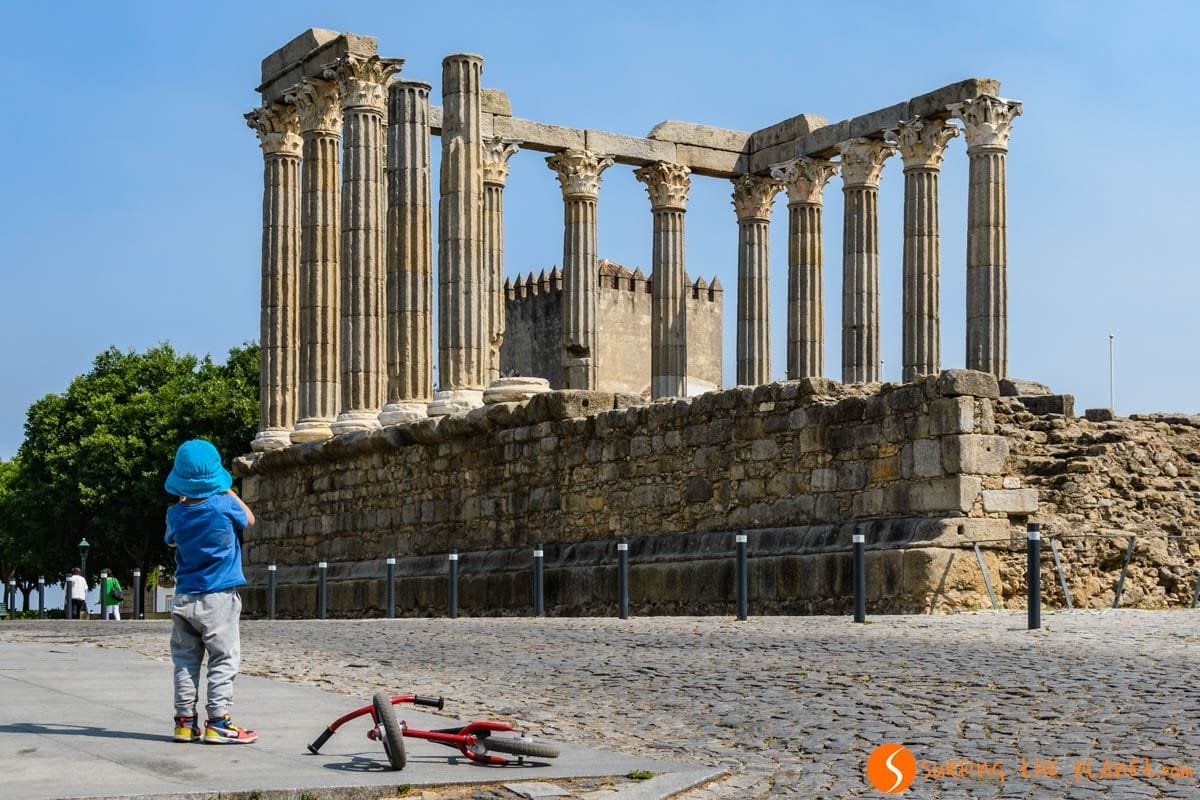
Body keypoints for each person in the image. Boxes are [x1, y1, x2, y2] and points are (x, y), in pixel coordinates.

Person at [163, 439, 257, 744]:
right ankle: (218, 721)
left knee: (185, 662)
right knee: (223, 658)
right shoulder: (224, 503)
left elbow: (172, 542)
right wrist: (226, 488)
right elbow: (249, 518)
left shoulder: (175, 514)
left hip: (184, 597)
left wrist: (186, 501)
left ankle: (184, 722)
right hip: (218, 597)